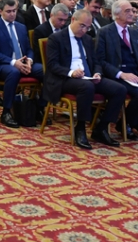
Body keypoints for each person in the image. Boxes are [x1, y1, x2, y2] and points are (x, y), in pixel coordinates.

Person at [44, 8, 126, 148]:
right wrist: (71, 72)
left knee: (119, 89)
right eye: (82, 26)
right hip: (65, 78)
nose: (84, 30)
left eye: (88, 27)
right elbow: (52, 65)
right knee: (87, 87)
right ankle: (80, 128)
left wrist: (97, 73)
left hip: (87, 77)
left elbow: (96, 62)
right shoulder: (56, 38)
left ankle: (101, 128)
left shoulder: (87, 39)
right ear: (73, 20)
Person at [94, 0, 138, 142]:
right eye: (128, 11)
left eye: (133, 10)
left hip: (137, 74)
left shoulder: (134, 32)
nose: (132, 13)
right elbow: (100, 60)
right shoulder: (104, 32)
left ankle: (132, 121)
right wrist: (121, 74)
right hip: (117, 75)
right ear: (117, 14)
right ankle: (124, 124)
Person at [0, 0, 44, 128]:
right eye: (9, 11)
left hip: (23, 62)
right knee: (14, 72)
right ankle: (6, 112)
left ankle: (39, 108)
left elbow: (29, 49)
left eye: (14, 11)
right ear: (0, 11)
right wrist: (14, 62)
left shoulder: (21, 27)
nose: (12, 14)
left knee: (45, 70)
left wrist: (29, 61)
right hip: (3, 65)